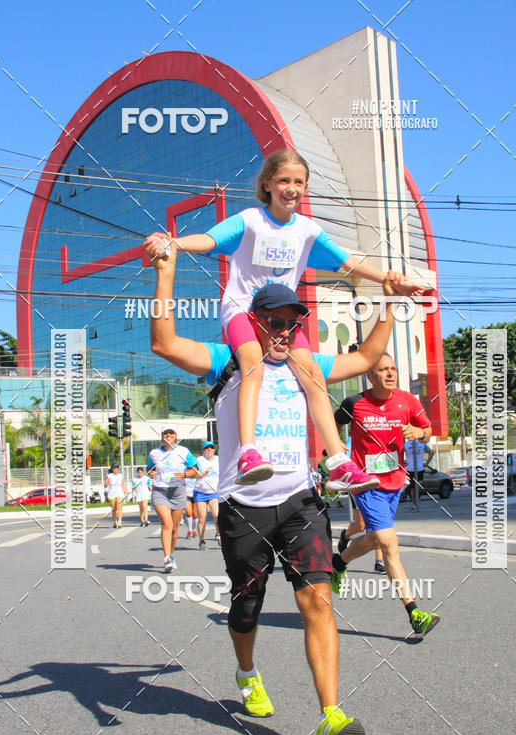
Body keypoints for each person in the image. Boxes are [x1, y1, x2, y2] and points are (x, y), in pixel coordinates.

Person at [149, 249, 406, 735]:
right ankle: (247, 671)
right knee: (247, 606)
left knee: (317, 599)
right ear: (253, 323)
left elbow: (367, 359)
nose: (285, 331)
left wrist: (390, 305)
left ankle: (331, 716)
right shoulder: (229, 361)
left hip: (300, 501)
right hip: (244, 506)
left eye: (293, 322)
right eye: (274, 322)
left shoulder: (306, 365)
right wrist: (166, 272)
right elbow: (164, 344)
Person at [144, 148, 423, 490]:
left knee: (313, 377)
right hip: (245, 310)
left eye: (299, 182)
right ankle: (249, 452)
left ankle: (337, 462)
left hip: (284, 316)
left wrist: (387, 281)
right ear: (267, 185)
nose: (291, 188)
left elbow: (347, 262)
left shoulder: (306, 230)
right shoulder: (249, 221)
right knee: (253, 366)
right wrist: (173, 243)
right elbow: (209, 240)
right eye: (283, 181)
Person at [331, 354, 440, 638]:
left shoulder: (407, 401)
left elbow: (428, 430)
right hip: (365, 481)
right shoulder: (355, 403)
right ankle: (414, 612)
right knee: (389, 542)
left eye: (393, 368)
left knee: (375, 537)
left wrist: (420, 432)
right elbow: (331, 425)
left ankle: (339, 562)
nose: (390, 373)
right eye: (383, 369)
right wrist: (338, 452)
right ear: (370, 375)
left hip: (394, 480)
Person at [146, 426, 199, 573]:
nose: (168, 435)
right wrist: (151, 474)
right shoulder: (154, 453)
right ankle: (167, 558)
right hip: (160, 491)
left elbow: (195, 470)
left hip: (178, 491)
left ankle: (172, 553)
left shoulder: (183, 452)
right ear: (162, 436)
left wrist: (185, 475)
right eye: (165, 433)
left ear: (175, 436)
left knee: (174, 528)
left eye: (171, 433)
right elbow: (149, 469)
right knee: (166, 524)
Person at [193, 440, 220, 550]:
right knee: (202, 518)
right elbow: (194, 475)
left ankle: (218, 534)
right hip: (200, 492)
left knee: (216, 515)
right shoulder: (199, 460)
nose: (209, 450)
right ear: (203, 450)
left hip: (213, 492)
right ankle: (201, 540)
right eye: (207, 448)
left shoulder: (218, 460)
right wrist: (205, 472)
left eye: (211, 448)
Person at [402, 436, 435, 501]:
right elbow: (431, 452)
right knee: (416, 486)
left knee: (413, 486)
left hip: (410, 468)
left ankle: (414, 502)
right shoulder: (422, 443)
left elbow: (399, 454)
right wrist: (426, 464)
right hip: (420, 468)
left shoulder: (405, 444)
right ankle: (415, 500)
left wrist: (403, 463)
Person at [105, 463, 127, 528]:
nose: (116, 469)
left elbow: (123, 485)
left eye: (117, 468)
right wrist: (106, 483)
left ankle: (119, 522)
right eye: (115, 468)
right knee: (114, 509)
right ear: (112, 469)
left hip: (119, 493)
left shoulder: (120, 476)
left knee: (119, 508)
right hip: (112, 493)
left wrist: (125, 493)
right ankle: (115, 522)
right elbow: (105, 485)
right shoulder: (109, 476)